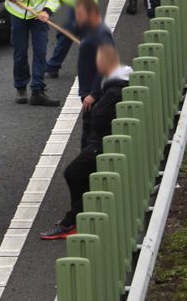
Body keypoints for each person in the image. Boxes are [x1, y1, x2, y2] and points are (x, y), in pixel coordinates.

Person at [39, 44, 130, 239]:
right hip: (105, 143)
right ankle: (75, 217)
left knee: (74, 173)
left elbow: (98, 118)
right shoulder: (119, 85)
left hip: (102, 145)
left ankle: (73, 221)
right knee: (82, 176)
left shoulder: (113, 92)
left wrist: (94, 103)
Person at [73, 0, 115, 119]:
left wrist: (94, 94)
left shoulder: (101, 34)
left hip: (96, 95)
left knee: (94, 133)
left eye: (80, 13)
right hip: (88, 93)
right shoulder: (89, 31)